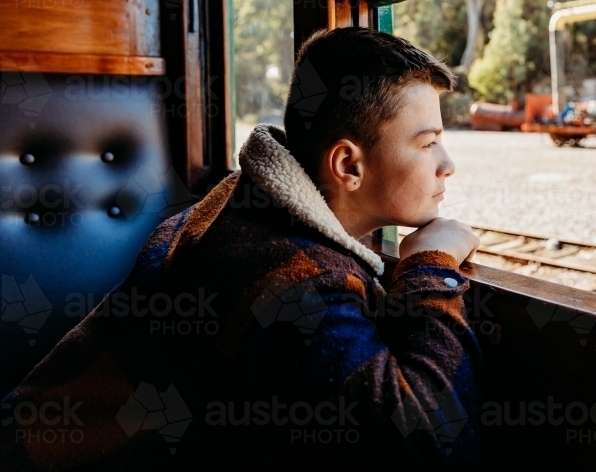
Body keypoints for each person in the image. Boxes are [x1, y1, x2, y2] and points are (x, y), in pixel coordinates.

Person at [1, 27, 483, 470]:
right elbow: (430, 446)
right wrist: (430, 266)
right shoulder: (289, 277)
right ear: (347, 165)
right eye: (428, 143)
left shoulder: (241, 203)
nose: (449, 164)